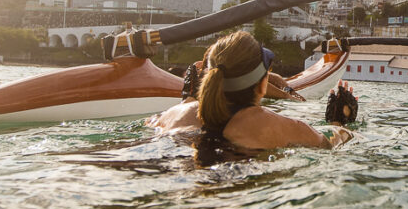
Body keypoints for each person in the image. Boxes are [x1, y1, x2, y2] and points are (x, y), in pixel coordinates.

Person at [150, 31, 355, 157]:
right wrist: (338, 124)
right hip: (238, 200)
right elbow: (331, 142)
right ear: (262, 85)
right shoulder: (280, 127)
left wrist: (187, 99)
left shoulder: (170, 116)